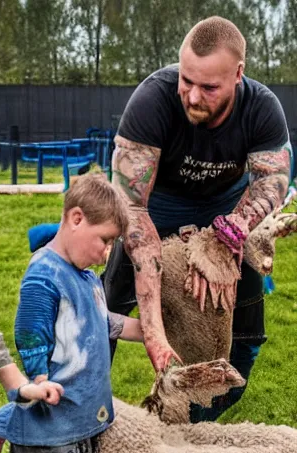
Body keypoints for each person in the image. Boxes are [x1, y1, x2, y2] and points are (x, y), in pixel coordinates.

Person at [103, 16, 292, 422]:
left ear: (238, 75)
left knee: (248, 334)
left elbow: (273, 179)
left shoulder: (262, 107)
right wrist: (152, 331)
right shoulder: (153, 98)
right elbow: (132, 209)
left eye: (209, 87)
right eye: (186, 81)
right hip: (156, 207)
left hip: (225, 210)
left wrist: (232, 234)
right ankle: (87, 414)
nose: (191, 96)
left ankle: (192, 423)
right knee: (105, 308)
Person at [0, 174, 178, 453]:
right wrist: (39, 381)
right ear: (76, 218)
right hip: (51, 435)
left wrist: (153, 331)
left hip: (82, 425)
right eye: (104, 241)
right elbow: (30, 336)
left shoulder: (86, 276)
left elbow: (102, 322)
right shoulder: (45, 277)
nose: (106, 254)